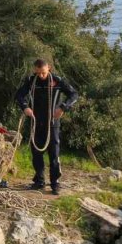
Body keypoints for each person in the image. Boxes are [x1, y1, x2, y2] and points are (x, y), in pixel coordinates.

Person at [15, 58, 79, 195]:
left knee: (54, 153)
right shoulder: (31, 81)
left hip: (53, 122)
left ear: (48, 68)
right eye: (38, 73)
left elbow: (74, 94)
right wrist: (25, 108)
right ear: (35, 71)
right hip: (36, 121)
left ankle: (55, 183)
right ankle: (39, 181)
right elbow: (19, 95)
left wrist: (63, 107)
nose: (41, 76)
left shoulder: (57, 80)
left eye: (43, 73)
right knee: (36, 152)